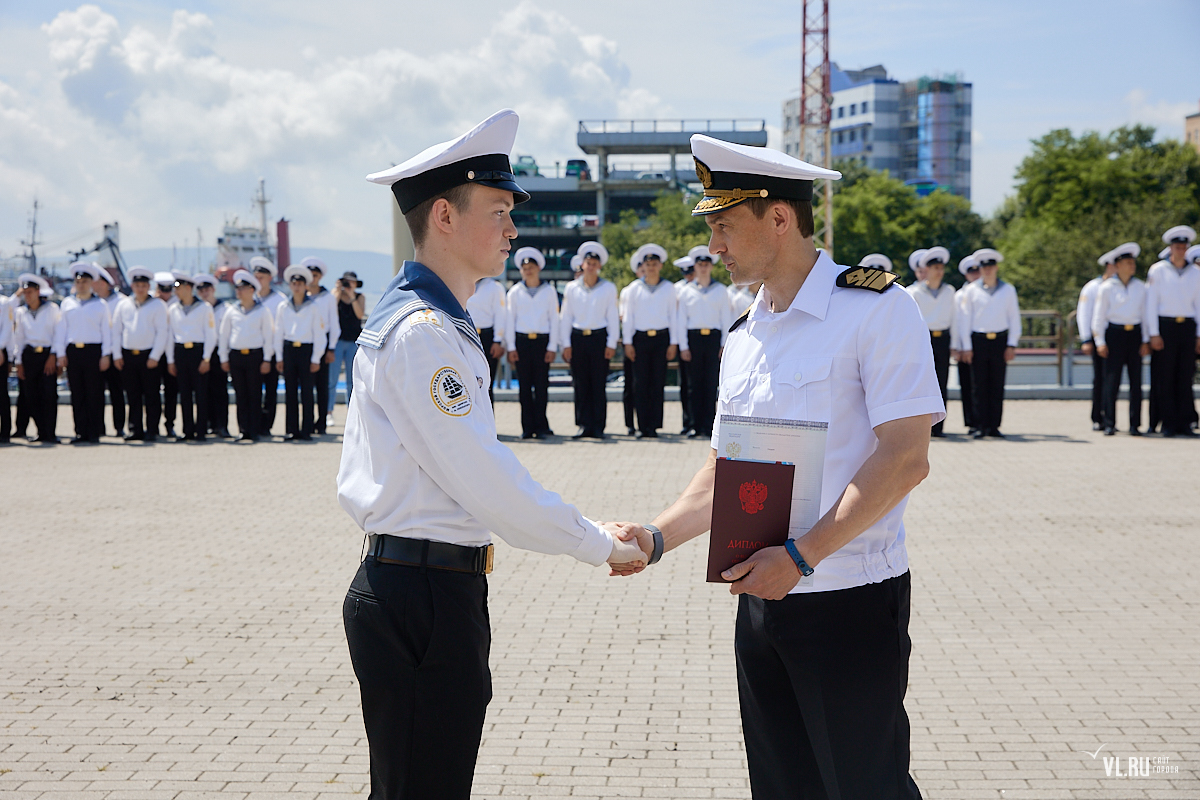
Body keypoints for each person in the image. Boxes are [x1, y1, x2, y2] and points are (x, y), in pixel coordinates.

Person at [609, 133, 940, 800]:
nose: (714, 246)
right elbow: (721, 472)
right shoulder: (745, 333)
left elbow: (905, 459)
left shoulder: (876, 310)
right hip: (762, 599)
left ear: (780, 218)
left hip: (847, 600)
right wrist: (657, 535)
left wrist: (803, 554)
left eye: (726, 226)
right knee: (781, 785)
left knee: (865, 786)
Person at [340, 108, 648, 800]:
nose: (514, 229)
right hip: (421, 594)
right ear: (444, 217)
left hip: (424, 583)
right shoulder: (422, 333)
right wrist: (597, 543)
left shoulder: (435, 318)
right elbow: (487, 482)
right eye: (500, 210)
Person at [957, 248, 1020, 438]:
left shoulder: (1008, 290)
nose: (987, 270)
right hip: (978, 340)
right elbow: (965, 320)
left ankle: (994, 426)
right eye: (984, 267)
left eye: (991, 266)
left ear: (996, 267)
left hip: (999, 341)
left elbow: (1014, 318)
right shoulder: (971, 290)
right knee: (978, 385)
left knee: (997, 384)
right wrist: (967, 346)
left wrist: (1012, 344)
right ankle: (979, 425)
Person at [1144, 225, 1200, 437]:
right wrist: (1154, 333)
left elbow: (1198, 305)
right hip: (1165, 326)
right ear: (1171, 248)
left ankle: (1184, 423)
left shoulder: (1195, 273)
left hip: (1187, 326)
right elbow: (1151, 303)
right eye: (1177, 247)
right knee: (1165, 377)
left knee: (1185, 377)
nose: (1181, 251)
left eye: (1184, 247)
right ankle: (1167, 423)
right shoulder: (1158, 270)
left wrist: (1198, 334)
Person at [560, 241, 619, 438]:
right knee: (581, 383)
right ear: (582, 265)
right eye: (588, 262)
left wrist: (611, 343)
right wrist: (566, 344)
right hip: (578, 338)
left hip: (599, 338)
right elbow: (566, 317)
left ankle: (598, 426)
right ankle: (583, 424)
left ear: (599, 266)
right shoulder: (571, 288)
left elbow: (612, 316)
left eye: (595, 263)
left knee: (598, 383)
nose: (591, 266)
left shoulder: (608, 288)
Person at [622, 243, 679, 438]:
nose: (651, 267)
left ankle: (654, 426)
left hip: (662, 339)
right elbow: (628, 317)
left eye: (655, 263)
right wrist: (628, 343)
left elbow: (674, 316)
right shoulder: (633, 289)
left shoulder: (669, 288)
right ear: (643, 267)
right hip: (640, 340)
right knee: (640, 384)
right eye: (648, 264)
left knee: (657, 383)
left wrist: (673, 343)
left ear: (660, 265)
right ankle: (642, 426)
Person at [1092, 242, 1148, 436]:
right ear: (1118, 265)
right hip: (1114, 334)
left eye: (1133, 262)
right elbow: (1098, 317)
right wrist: (1099, 342)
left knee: (1136, 383)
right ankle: (1109, 423)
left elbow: (1146, 315)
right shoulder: (1106, 287)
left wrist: (1146, 340)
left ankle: (1135, 424)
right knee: (1111, 381)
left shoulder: (1141, 287)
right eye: (1128, 262)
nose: (1132, 266)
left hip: (1135, 334)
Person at [676, 244, 730, 439]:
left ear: (711, 266)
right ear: (695, 267)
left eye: (706, 264)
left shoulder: (721, 291)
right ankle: (693, 425)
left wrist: (724, 344)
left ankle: (709, 426)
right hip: (693, 340)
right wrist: (683, 346)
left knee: (710, 385)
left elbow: (726, 319)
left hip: (713, 340)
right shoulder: (685, 291)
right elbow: (681, 321)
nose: (703, 267)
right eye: (699, 264)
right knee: (693, 386)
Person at [504, 246, 558, 439]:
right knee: (525, 387)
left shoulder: (549, 291)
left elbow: (554, 319)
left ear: (538, 268)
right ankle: (528, 427)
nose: (528, 271)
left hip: (542, 342)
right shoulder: (514, 292)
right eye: (525, 268)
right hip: (522, 342)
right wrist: (511, 347)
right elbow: (510, 320)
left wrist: (553, 346)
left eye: (531, 267)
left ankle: (542, 426)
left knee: (542, 386)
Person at [55, 261, 112, 444]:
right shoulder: (67, 303)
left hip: (93, 351)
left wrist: (105, 355)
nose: (81, 285)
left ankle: (94, 432)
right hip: (73, 351)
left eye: (85, 282)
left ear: (91, 283)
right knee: (77, 393)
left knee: (94, 393)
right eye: (78, 282)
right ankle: (80, 432)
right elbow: (61, 330)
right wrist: (60, 353)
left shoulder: (101, 304)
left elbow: (107, 332)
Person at [112, 267, 169, 442]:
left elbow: (162, 332)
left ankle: (152, 429)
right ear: (132, 286)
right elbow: (116, 330)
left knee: (151, 395)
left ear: (148, 286)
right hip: (129, 355)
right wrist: (117, 355)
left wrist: (155, 356)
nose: (140, 289)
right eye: (137, 285)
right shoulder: (123, 305)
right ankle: (135, 429)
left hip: (149, 356)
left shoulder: (158, 305)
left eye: (144, 285)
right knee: (133, 395)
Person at [218, 269, 275, 442]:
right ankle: (243, 430)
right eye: (237, 288)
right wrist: (224, 358)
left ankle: (254, 430)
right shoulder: (231, 311)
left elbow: (268, 337)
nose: (239, 292)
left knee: (255, 394)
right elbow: (224, 336)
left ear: (252, 290)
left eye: (243, 288)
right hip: (236, 356)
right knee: (241, 395)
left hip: (255, 356)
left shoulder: (262, 311)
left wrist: (266, 359)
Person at [906, 248, 956, 437]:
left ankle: (939, 427)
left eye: (941, 268)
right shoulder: (914, 292)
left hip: (942, 338)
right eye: (935, 267)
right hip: (923, 339)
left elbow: (955, 319)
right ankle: (922, 427)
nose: (939, 271)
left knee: (942, 382)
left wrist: (957, 344)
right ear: (926, 269)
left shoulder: (949, 291)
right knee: (921, 382)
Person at [274, 264, 326, 441]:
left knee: (306, 392)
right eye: (293, 283)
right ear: (290, 285)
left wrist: (316, 358)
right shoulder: (283, 306)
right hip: (289, 349)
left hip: (306, 350)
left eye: (300, 283)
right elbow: (278, 332)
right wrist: (279, 356)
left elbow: (319, 334)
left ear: (305, 286)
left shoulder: (313, 307)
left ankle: (306, 430)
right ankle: (291, 430)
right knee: (290, 392)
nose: (296, 286)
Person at [165, 271, 216, 442]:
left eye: (178, 287)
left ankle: (200, 430)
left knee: (201, 394)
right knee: (185, 394)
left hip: (197, 351)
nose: (175, 291)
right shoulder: (173, 309)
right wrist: (171, 360)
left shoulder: (204, 308)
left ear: (188, 288)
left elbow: (210, 334)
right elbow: (170, 335)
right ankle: (187, 430)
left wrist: (206, 358)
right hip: (180, 352)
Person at [12, 273, 62, 444]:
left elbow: (58, 333)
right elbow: (19, 337)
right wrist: (18, 362)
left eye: (31, 292)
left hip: (47, 354)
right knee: (30, 395)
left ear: (38, 291)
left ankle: (50, 432)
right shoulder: (21, 312)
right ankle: (41, 430)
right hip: (29, 355)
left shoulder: (52, 309)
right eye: (25, 292)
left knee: (49, 395)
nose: (28, 295)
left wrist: (54, 355)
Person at [299, 256, 341, 434]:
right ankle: (307, 422)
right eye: (310, 274)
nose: (313, 277)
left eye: (316, 274)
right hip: (304, 344)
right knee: (306, 386)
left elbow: (334, 325)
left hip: (323, 345)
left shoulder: (328, 298)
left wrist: (331, 348)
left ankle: (321, 421)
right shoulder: (300, 297)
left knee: (322, 386)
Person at [1078, 250, 1117, 430]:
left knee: (1112, 379)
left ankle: (1109, 416)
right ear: (1110, 266)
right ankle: (1097, 416)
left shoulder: (1119, 286)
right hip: (1096, 337)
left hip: (1114, 336)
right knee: (1099, 379)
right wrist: (1086, 338)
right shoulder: (1092, 287)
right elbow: (1084, 314)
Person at [249, 256, 285, 437]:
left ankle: (266, 426)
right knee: (252, 391)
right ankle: (253, 425)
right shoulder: (250, 298)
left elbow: (281, 329)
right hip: (254, 351)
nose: (258, 280)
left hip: (272, 352)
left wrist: (278, 356)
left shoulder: (280, 300)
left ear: (269, 278)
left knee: (270, 391)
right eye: (256, 276)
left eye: (262, 276)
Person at [194, 274, 232, 438]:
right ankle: (209, 423)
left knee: (220, 391)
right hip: (202, 353)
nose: (204, 293)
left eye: (207, 289)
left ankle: (222, 425)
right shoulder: (197, 309)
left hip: (218, 352)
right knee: (204, 391)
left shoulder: (225, 309)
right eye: (201, 290)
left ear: (214, 290)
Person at [91, 266, 126, 437]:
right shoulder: (93, 302)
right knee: (96, 392)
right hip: (98, 352)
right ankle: (98, 427)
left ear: (104, 283)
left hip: (116, 352)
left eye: (96, 282)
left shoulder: (121, 301)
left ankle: (119, 426)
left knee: (117, 391)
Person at [464, 271, 506, 406]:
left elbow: (500, 314)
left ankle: (488, 424)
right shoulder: (462, 283)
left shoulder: (494, 287)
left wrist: (498, 340)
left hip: (487, 337)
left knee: (487, 384)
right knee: (467, 383)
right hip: (467, 335)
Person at [331, 270, 367, 414]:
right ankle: (329, 411)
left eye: (351, 282)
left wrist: (352, 295)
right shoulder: (336, 294)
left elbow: (359, 314)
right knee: (332, 379)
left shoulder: (359, 297)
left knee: (352, 380)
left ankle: (352, 411)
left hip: (353, 341)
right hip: (337, 341)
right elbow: (331, 309)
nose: (348, 284)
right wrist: (339, 291)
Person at [955, 255, 980, 434]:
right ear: (966, 275)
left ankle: (983, 421)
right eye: (971, 272)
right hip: (964, 346)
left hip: (978, 343)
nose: (976, 274)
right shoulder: (959, 295)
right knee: (968, 385)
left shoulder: (983, 292)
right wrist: (958, 346)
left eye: (977, 270)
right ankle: (971, 422)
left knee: (982, 384)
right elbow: (956, 322)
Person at [153, 271, 180, 438]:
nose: (166, 294)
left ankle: (170, 424)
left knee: (172, 391)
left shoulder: (178, 304)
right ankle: (153, 425)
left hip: (173, 354)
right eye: (162, 290)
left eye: (169, 290)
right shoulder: (151, 303)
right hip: (154, 353)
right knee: (152, 392)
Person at [674, 256, 696, 435]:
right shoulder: (677, 289)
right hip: (684, 339)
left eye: (691, 272)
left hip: (696, 339)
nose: (689, 275)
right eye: (686, 272)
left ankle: (698, 421)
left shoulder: (697, 289)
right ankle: (687, 421)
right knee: (686, 385)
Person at [0, 286, 12, 443]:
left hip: (0, 353)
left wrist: (1, 348)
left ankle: (5, 432)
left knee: (1, 394)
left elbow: (7, 329)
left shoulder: (4, 302)